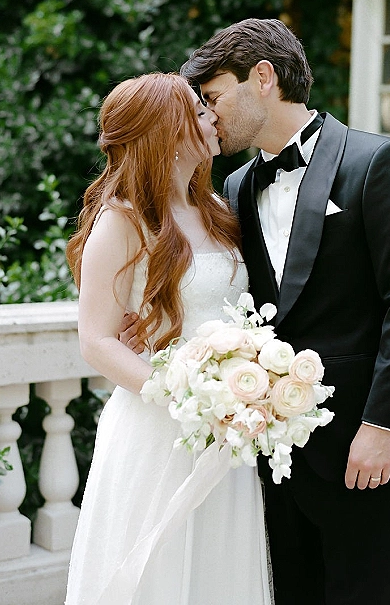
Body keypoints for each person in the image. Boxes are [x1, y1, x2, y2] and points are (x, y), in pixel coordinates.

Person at [178, 18, 390, 605]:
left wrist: (382, 425)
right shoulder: (240, 184)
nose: (210, 116)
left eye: (214, 97)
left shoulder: (378, 162)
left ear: (263, 78)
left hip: (361, 444)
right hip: (273, 449)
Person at [64, 72, 272, 605]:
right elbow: (97, 340)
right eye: (198, 111)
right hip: (160, 430)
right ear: (166, 131)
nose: (211, 118)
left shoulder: (218, 211)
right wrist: (189, 399)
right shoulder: (123, 221)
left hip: (226, 432)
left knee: (216, 572)